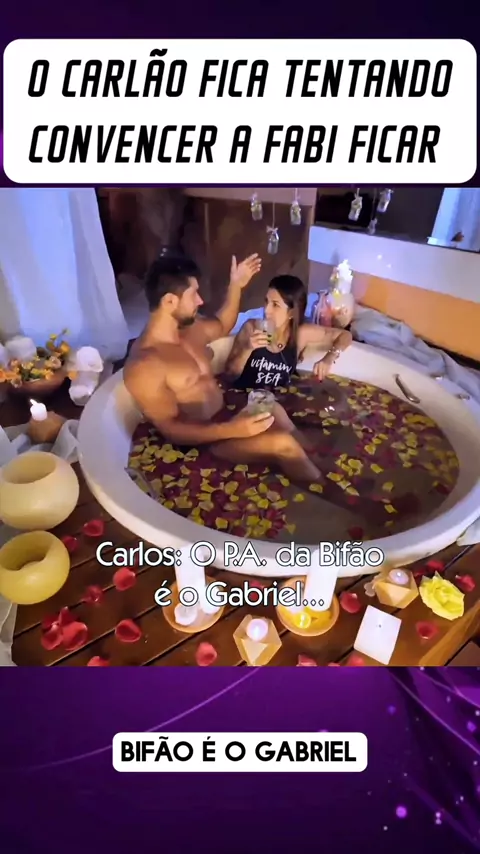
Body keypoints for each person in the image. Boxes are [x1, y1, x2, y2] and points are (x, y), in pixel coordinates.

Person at [124, 255, 322, 484]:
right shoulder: (145, 364)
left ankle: (320, 462)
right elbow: (171, 429)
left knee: (274, 408)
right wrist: (233, 429)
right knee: (283, 444)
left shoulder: (192, 328)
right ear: (169, 301)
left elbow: (222, 323)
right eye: (193, 294)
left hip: (224, 418)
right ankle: (329, 493)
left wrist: (236, 285)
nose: (200, 301)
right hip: (201, 446)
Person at [224, 274, 353, 390]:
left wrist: (329, 358)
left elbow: (345, 335)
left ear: (291, 312)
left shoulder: (300, 334)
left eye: (275, 305)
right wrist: (247, 349)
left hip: (278, 400)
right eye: (266, 302)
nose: (267, 310)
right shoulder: (251, 327)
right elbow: (229, 376)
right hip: (245, 400)